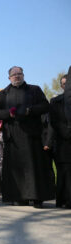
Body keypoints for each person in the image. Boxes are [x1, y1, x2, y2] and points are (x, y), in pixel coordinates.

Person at [0, 66, 55, 208]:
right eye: (14, 75)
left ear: (23, 75)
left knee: (34, 167)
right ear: (9, 77)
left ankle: (37, 198)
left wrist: (29, 111)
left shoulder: (34, 90)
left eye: (19, 74)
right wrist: (9, 114)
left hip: (31, 135)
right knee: (16, 168)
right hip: (13, 137)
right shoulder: (4, 93)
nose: (17, 76)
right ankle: (18, 197)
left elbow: (45, 106)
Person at [50, 75, 71, 208]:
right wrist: (67, 132)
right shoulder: (56, 101)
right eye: (64, 84)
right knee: (65, 172)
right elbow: (54, 121)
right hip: (64, 141)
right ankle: (65, 199)